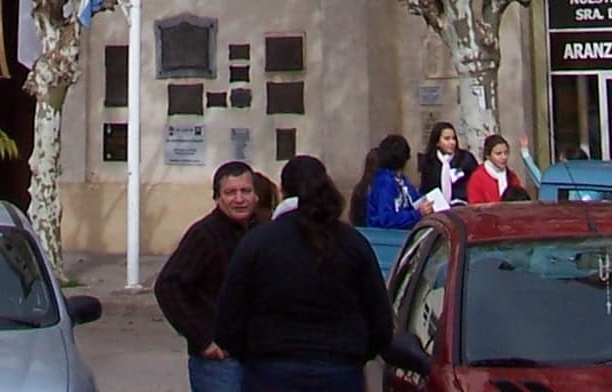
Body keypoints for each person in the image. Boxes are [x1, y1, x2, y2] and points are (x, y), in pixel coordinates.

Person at [214, 154, 431, 392]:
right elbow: (380, 321)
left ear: (284, 191)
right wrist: (357, 355)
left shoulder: (257, 243)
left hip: (271, 372)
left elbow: (227, 320)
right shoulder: (353, 244)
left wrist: (254, 355)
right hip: (339, 372)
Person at [156, 158, 261, 391]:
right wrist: (202, 338)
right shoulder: (205, 235)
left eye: (246, 191)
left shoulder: (261, 233)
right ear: (217, 198)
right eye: (230, 192)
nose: (239, 199)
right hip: (219, 364)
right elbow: (168, 286)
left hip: (257, 358)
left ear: (256, 196)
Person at [359, 133, 425, 229]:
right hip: (384, 238)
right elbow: (386, 219)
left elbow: (416, 199)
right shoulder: (384, 183)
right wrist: (417, 214)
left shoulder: (403, 180)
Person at [416, 120, 477, 210]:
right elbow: (425, 188)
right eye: (447, 139)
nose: (452, 142)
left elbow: (475, 182)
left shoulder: (465, 158)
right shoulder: (428, 161)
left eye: (454, 138)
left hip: (462, 206)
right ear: (437, 142)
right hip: (437, 208)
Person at [464, 131, 527, 204]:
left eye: (506, 153)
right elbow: (475, 207)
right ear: (488, 155)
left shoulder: (511, 176)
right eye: (498, 154)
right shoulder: (477, 178)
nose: (503, 157)